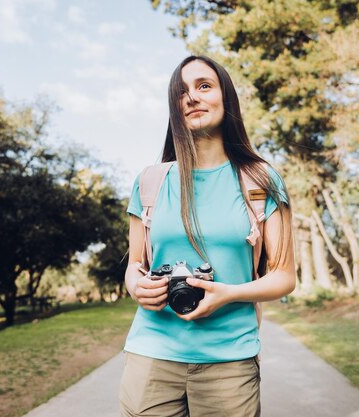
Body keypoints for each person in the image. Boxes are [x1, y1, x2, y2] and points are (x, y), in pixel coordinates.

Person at [119, 55, 296, 417]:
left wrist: (227, 294)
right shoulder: (151, 181)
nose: (192, 97)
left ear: (225, 97)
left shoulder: (261, 181)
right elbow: (135, 267)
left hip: (229, 363)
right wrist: (138, 287)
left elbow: (284, 276)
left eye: (204, 86)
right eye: (181, 92)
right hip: (152, 356)